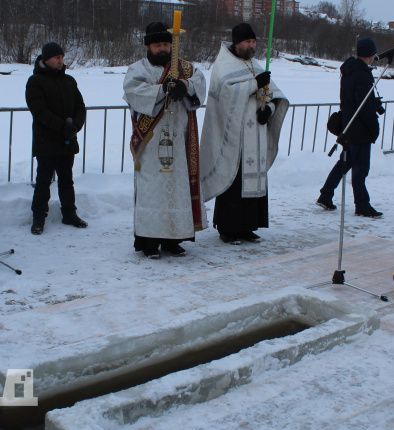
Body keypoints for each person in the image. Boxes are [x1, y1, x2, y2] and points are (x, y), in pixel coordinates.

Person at [123, 22, 207, 259]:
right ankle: (149, 243)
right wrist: (162, 91)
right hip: (150, 143)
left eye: (166, 44)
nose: (163, 49)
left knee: (177, 189)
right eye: (158, 45)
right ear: (149, 46)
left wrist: (184, 85)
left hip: (178, 140)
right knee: (153, 191)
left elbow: (200, 82)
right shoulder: (137, 69)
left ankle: (173, 240)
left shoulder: (185, 69)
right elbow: (133, 91)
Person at [200, 23, 289, 245]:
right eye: (247, 42)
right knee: (234, 183)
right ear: (237, 43)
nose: (251, 46)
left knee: (254, 183)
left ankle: (248, 227)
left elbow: (274, 95)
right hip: (234, 137)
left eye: (253, 42)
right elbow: (227, 95)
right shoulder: (223, 65)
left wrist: (267, 110)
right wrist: (253, 84)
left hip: (256, 135)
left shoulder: (256, 65)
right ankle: (228, 229)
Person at [26, 42, 88, 235]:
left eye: (61, 57)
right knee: (43, 180)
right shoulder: (35, 81)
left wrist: (75, 125)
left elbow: (80, 106)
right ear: (46, 59)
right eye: (56, 57)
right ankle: (38, 217)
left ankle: (69, 213)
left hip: (68, 139)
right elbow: (39, 111)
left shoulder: (69, 81)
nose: (60, 60)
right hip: (46, 140)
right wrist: (62, 126)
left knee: (66, 179)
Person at [316, 37, 382, 218]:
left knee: (344, 163)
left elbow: (354, 99)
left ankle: (326, 194)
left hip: (348, 124)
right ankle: (362, 205)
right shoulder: (362, 74)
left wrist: (372, 102)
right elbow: (363, 106)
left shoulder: (349, 71)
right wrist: (373, 127)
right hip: (360, 128)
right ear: (371, 54)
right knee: (361, 169)